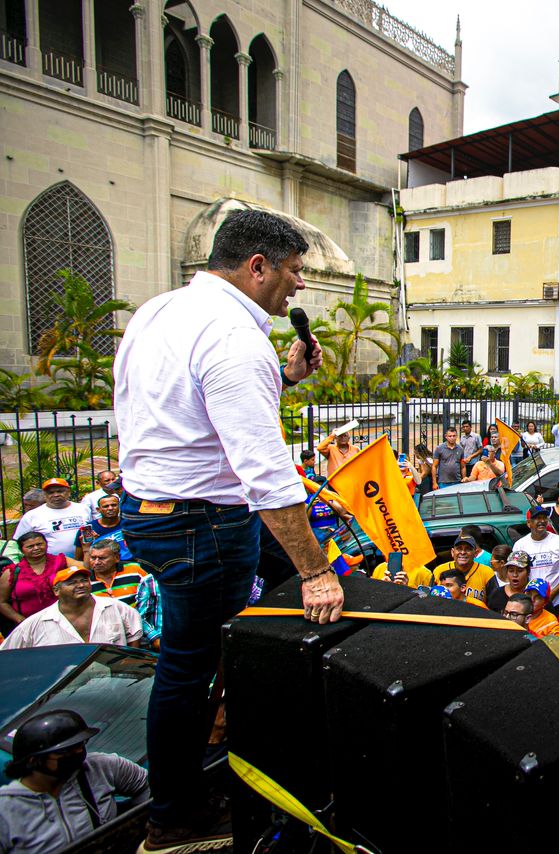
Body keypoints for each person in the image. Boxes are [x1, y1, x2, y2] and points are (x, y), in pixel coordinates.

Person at [114, 211, 340, 847]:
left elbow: (186, 403)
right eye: (294, 271)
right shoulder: (233, 337)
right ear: (258, 266)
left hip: (158, 512)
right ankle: (175, 812)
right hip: (203, 524)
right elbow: (265, 474)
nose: (298, 287)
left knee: (193, 659)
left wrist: (286, 375)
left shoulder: (162, 310)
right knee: (190, 668)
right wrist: (316, 572)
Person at [0, 709, 149, 854]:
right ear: (34, 761)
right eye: (66, 751)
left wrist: (139, 827)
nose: (78, 753)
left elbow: (149, 785)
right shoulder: (6, 809)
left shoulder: (102, 766)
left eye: (80, 745)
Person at [1, 566, 143, 650]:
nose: (81, 585)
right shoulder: (35, 623)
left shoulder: (116, 607)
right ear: (56, 591)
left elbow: (134, 633)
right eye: (72, 583)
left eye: (84, 580)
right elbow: (8, 653)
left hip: (114, 687)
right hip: (62, 692)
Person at [512, 506, 559, 608]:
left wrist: (553, 593)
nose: (542, 521)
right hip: (532, 601)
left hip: (558, 600)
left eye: (544, 518)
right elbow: (517, 573)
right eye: (537, 518)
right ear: (529, 523)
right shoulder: (520, 545)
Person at [0, 533, 67, 629]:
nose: (36, 548)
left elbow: (86, 567)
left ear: (46, 544)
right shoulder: (12, 572)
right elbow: (1, 602)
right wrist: (21, 620)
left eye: (39, 544)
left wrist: (86, 548)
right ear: (21, 550)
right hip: (29, 627)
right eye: (30, 546)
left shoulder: (60, 561)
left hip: (63, 622)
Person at [13, 478, 90, 560]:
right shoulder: (32, 515)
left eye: (60, 491)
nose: (56, 495)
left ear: (68, 492)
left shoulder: (83, 509)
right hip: (50, 564)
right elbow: (19, 540)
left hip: (83, 560)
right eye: (51, 492)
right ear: (45, 495)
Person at [84, 539, 147, 607]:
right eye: (93, 558)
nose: (96, 562)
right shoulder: (85, 580)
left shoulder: (135, 569)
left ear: (117, 558)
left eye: (102, 558)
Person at [75, 494, 131, 563]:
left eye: (114, 505)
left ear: (119, 506)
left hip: (129, 564)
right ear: (98, 510)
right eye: (106, 506)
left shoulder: (128, 524)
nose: (110, 508)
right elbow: (79, 558)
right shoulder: (88, 529)